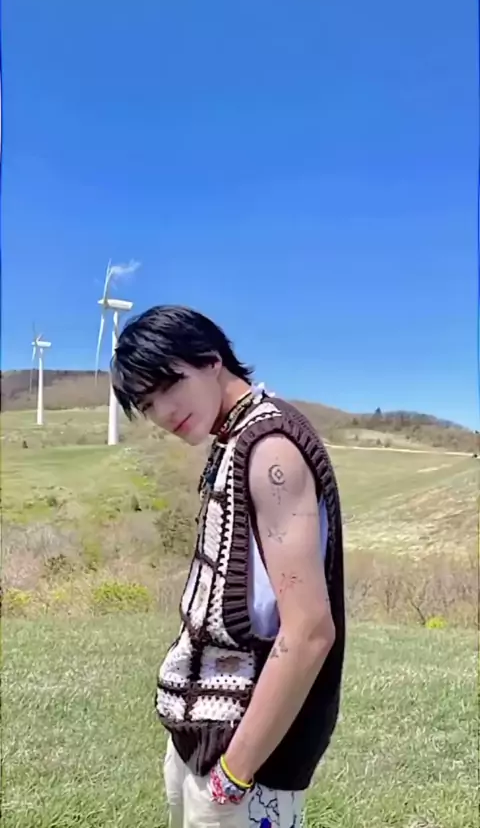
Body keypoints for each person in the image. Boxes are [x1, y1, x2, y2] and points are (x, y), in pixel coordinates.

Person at [111, 305, 345, 828]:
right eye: (147, 404)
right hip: (204, 735)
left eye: (169, 385)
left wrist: (235, 773)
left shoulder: (271, 448)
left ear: (211, 359)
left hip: (246, 757)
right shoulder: (235, 441)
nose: (163, 413)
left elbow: (309, 630)